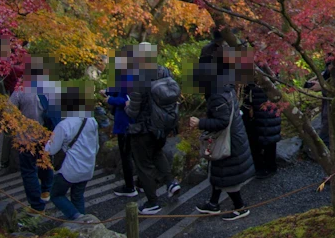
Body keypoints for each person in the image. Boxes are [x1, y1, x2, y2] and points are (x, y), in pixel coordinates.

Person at [192, 42, 255, 220]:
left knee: (227, 175)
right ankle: (213, 203)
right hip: (232, 136)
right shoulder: (224, 82)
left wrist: (200, 123)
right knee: (219, 171)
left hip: (228, 139)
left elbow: (221, 121)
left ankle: (240, 207)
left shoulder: (217, 90)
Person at [125, 43, 181, 215]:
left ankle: (152, 202)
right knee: (157, 153)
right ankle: (171, 183)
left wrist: (126, 106)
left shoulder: (138, 77)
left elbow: (133, 110)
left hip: (143, 129)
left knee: (144, 165)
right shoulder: (164, 71)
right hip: (162, 127)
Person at [7, 58, 57, 211]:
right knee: (45, 163)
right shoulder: (49, 88)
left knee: (29, 171)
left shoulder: (21, 90)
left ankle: (36, 204)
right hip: (46, 134)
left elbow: (9, 111)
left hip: (26, 137)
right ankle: (46, 190)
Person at [45, 87, 99, 221]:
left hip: (69, 169)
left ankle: (76, 217)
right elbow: (96, 145)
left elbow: (50, 149)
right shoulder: (91, 121)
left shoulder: (64, 125)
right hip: (87, 167)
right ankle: (83, 225)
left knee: (56, 195)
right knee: (77, 195)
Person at [104, 48, 138, 197]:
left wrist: (110, 99)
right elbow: (117, 90)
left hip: (126, 122)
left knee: (127, 155)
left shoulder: (129, 77)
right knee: (131, 154)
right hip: (127, 121)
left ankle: (130, 186)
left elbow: (127, 101)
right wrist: (108, 91)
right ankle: (137, 184)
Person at [242, 75, 282, 178]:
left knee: (267, 137)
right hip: (256, 107)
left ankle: (268, 166)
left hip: (264, 107)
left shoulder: (263, 69)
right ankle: (262, 166)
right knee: (257, 137)